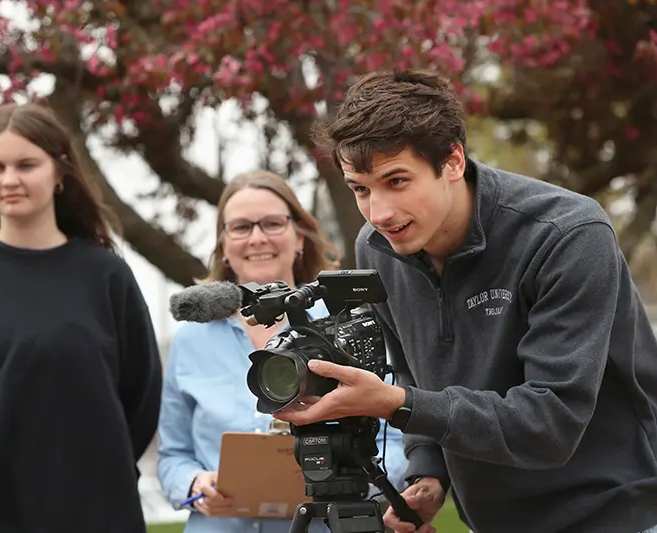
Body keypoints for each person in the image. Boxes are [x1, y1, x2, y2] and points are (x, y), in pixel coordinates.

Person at [274, 69, 657, 533]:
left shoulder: (567, 234)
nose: (380, 213)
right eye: (361, 188)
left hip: (614, 514)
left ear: (453, 160)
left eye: (397, 180)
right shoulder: (377, 248)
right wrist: (429, 470)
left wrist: (396, 403)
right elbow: (414, 373)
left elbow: (550, 425)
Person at [0, 102, 163, 533]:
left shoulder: (107, 277)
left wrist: (99, 475)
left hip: (98, 516)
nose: (10, 179)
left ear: (60, 173)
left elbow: (141, 399)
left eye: (26, 164)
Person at [156, 169, 408, 533]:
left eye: (272, 223)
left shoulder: (348, 324)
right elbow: (171, 457)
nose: (257, 238)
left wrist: (354, 485)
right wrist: (195, 485)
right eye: (241, 227)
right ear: (223, 245)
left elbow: (397, 442)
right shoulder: (190, 340)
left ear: (300, 237)